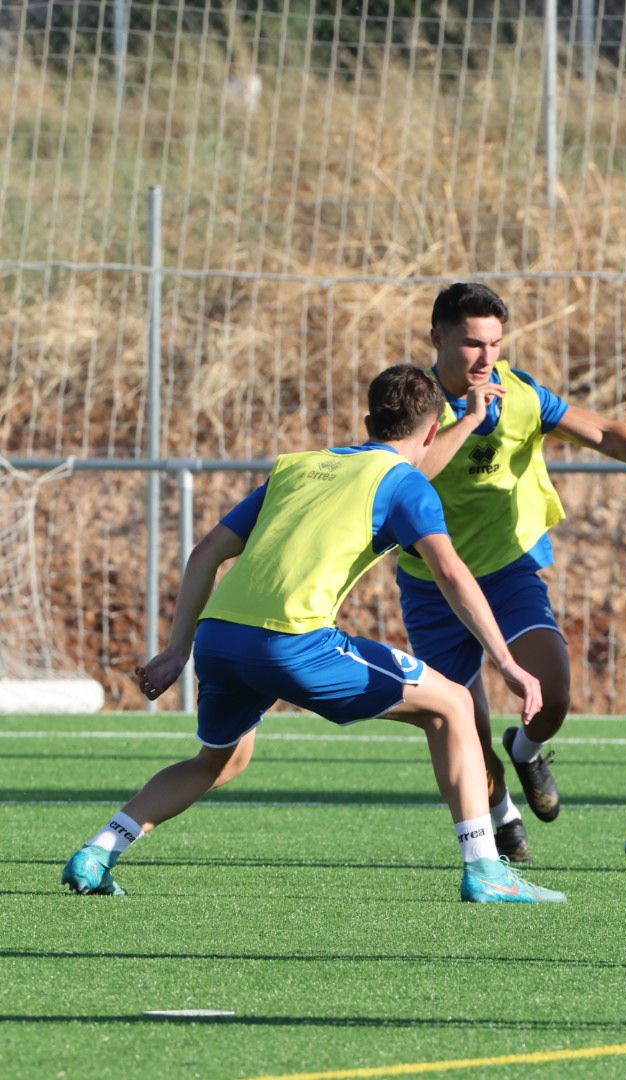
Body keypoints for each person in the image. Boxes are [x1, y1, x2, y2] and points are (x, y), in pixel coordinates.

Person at [61, 365, 559, 903]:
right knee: (455, 705)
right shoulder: (405, 483)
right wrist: (506, 662)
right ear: (434, 431)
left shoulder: (296, 466)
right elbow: (451, 572)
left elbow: (206, 552)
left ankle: (98, 852)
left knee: (219, 761)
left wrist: (178, 648)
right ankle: (485, 868)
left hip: (220, 638)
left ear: (367, 422)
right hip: (294, 643)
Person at [397, 283, 626, 863]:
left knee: (553, 691)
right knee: (463, 725)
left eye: (496, 344)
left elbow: (606, 434)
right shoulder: (415, 403)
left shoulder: (521, 394)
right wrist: (469, 420)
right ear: (437, 338)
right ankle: (501, 816)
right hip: (434, 583)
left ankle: (528, 749)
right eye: (472, 344)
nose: (486, 358)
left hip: (508, 569)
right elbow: (404, 471)